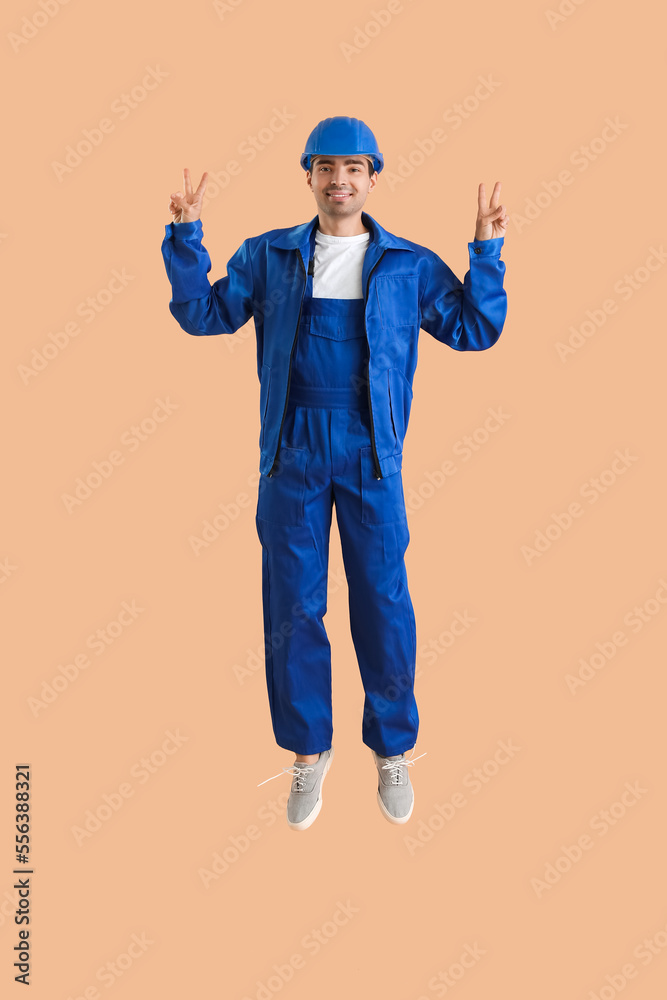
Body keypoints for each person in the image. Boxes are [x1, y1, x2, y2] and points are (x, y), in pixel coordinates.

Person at [161, 116, 508, 831]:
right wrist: (187, 240)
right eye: (326, 167)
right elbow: (201, 313)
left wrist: (486, 250)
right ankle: (307, 750)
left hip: (372, 456)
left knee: (382, 601)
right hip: (291, 453)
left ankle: (391, 746)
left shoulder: (407, 265)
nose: (339, 180)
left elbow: (474, 328)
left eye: (353, 167)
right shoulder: (267, 256)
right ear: (308, 177)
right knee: (293, 608)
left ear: (373, 177)